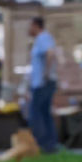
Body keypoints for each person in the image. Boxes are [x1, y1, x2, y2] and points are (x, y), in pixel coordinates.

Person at [28, 17, 59, 154]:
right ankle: (49, 145)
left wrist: (46, 73)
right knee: (45, 112)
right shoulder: (41, 40)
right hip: (41, 82)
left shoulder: (43, 37)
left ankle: (40, 143)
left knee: (36, 113)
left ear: (36, 26)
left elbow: (50, 53)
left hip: (42, 83)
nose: (29, 29)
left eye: (30, 26)